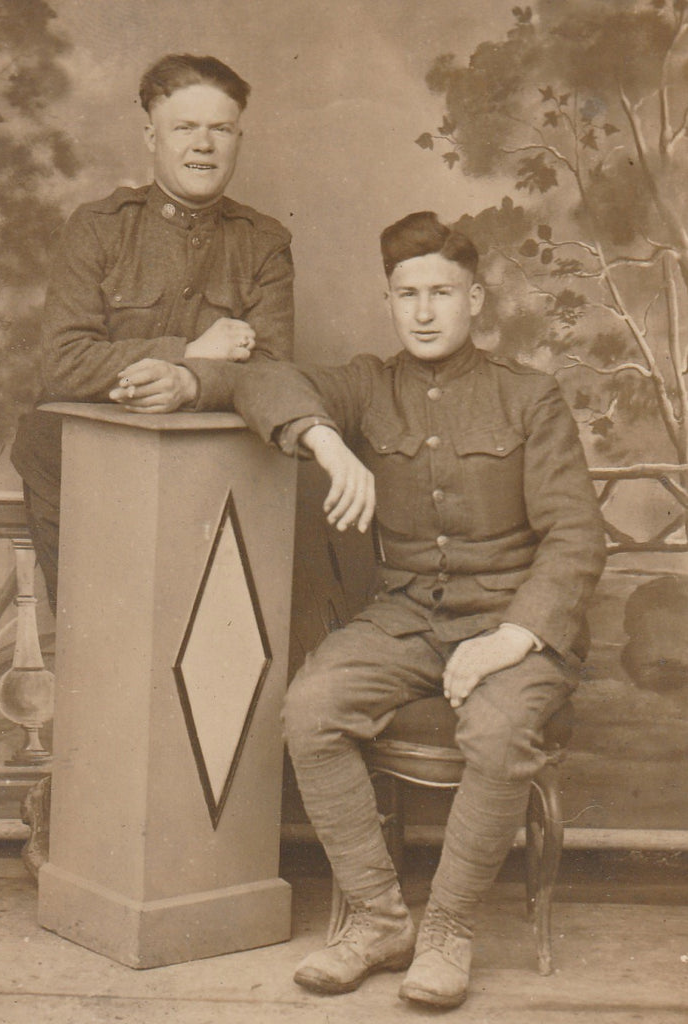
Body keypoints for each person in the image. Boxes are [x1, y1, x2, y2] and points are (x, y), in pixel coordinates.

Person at [177, 211, 606, 1009]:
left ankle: (447, 929)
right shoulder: (368, 385)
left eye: (441, 291)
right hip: (408, 618)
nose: (423, 310)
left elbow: (577, 538)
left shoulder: (528, 396)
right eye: (406, 293)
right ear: (390, 301)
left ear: (476, 299)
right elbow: (259, 378)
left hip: (518, 625)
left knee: (496, 726)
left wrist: (512, 638)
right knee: (311, 708)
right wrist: (326, 442)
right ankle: (379, 920)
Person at [11, 53, 293, 612]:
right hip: (82, 478)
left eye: (221, 129)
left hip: (209, 479)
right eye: (184, 128)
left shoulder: (264, 243)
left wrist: (190, 382)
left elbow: (276, 374)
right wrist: (191, 349)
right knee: (101, 641)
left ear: (239, 137)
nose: (203, 145)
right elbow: (63, 363)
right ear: (151, 136)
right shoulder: (98, 229)